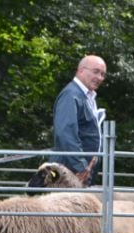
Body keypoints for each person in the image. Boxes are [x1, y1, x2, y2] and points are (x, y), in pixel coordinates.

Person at [51, 55, 107, 185]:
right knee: (63, 204)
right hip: (69, 170)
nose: (99, 77)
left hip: (79, 170)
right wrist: (81, 166)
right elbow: (66, 133)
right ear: (81, 70)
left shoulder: (87, 97)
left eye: (102, 74)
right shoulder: (71, 95)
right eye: (96, 72)